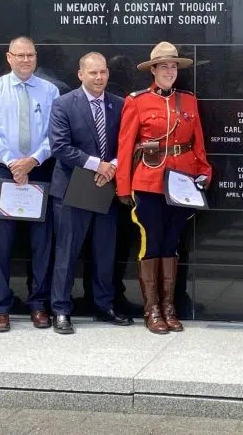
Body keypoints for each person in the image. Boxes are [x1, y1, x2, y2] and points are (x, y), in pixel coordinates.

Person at [115, 42, 211, 335]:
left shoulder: (189, 101)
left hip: (181, 183)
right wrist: (123, 186)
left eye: (174, 67)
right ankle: (152, 309)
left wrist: (204, 172)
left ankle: (169, 308)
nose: (170, 71)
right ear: (153, 70)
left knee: (171, 244)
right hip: (148, 182)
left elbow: (197, 143)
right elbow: (126, 145)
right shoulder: (137, 101)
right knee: (151, 243)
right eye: (164, 67)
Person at [0, 36, 60, 332]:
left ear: (36, 58)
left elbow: (55, 134)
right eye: (20, 55)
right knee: (0, 245)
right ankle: (1, 307)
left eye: (30, 55)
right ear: (9, 57)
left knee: (41, 244)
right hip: (2, 172)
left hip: (38, 172)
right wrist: (13, 162)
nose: (25, 60)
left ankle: (38, 304)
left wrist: (32, 161)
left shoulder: (50, 90)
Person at [49, 52, 131, 333]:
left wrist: (114, 166)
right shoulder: (63, 104)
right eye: (93, 73)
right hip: (72, 188)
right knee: (67, 252)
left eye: (103, 72)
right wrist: (99, 165)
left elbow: (127, 143)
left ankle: (104, 304)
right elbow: (59, 146)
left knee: (104, 252)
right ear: (80, 74)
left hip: (104, 190)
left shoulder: (119, 105)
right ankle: (60, 309)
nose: (99, 78)